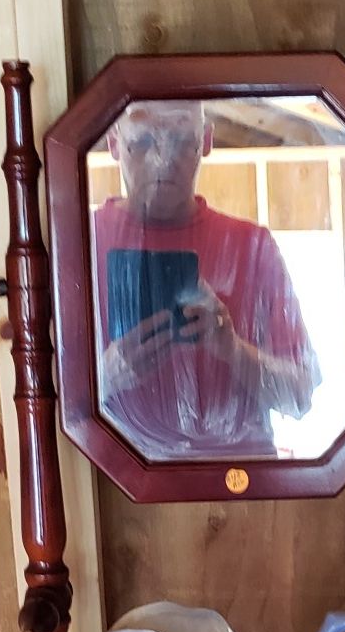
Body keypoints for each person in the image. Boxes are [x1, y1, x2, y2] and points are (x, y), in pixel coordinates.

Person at [91, 99, 320, 457]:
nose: (163, 160)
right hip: (125, 490)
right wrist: (105, 376)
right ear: (114, 143)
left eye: (183, 140)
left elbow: (301, 397)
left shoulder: (252, 248)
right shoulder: (80, 245)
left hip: (242, 487)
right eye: (145, 141)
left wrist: (233, 350)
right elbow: (43, 394)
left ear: (207, 141)